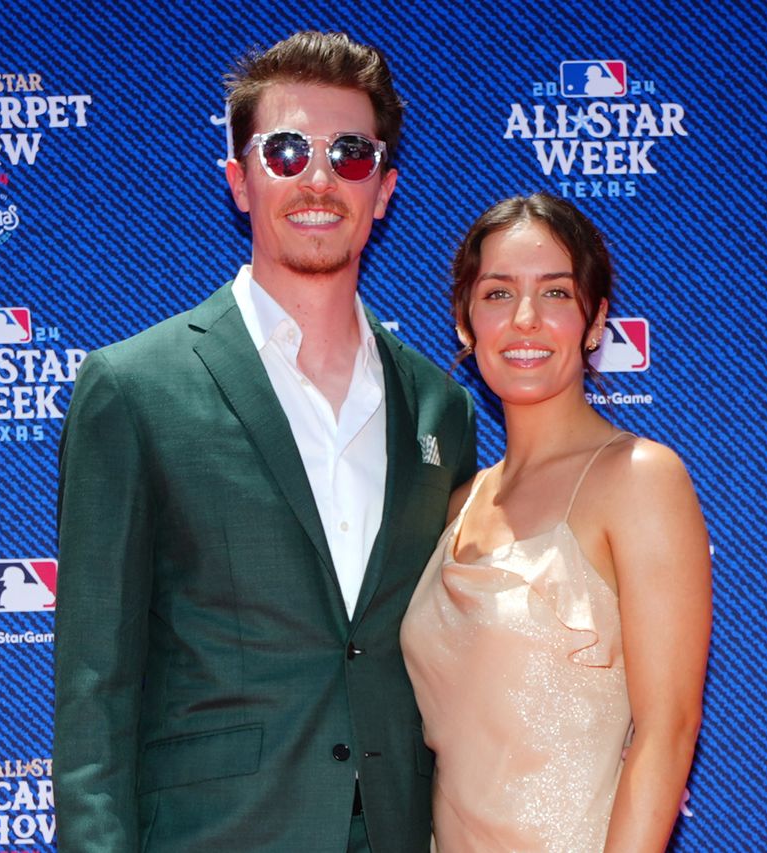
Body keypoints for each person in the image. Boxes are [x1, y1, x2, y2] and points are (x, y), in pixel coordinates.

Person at [52, 31, 478, 853]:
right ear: (239, 181)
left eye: (350, 154)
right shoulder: (133, 388)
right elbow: (94, 688)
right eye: (286, 152)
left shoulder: (440, 407)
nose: (318, 179)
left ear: (384, 190)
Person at [401, 194, 711, 852]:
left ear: (595, 322)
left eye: (556, 293)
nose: (525, 318)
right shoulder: (458, 504)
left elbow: (669, 730)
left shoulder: (639, 479)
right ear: (464, 323)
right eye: (497, 293)